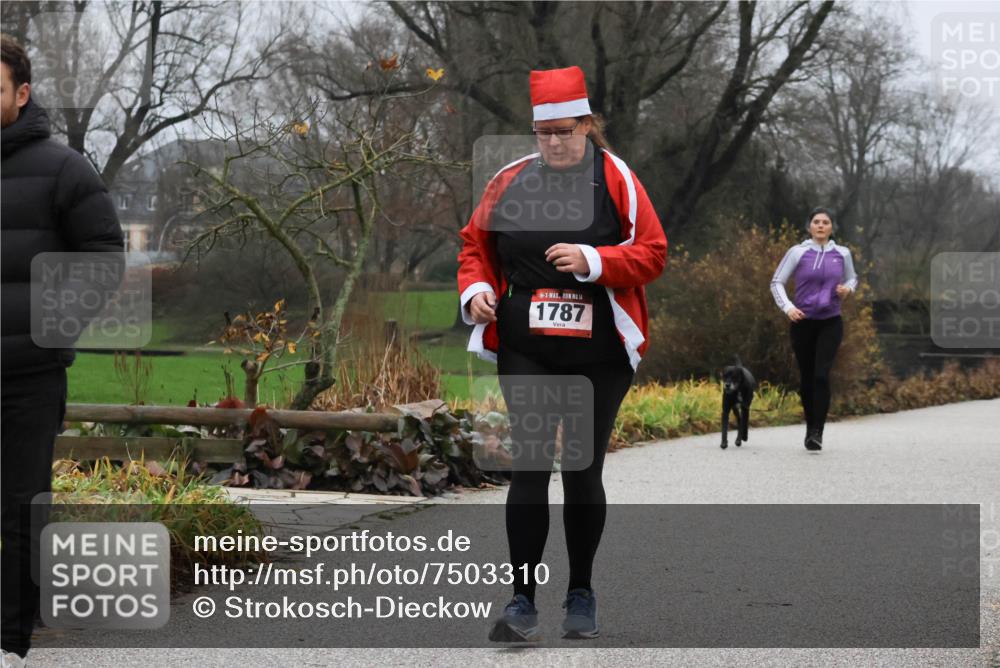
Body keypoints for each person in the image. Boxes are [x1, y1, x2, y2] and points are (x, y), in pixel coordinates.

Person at [456, 66, 666, 641]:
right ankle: (521, 601)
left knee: (581, 468)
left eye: (564, 131)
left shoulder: (617, 178)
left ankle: (581, 592)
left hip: (598, 354)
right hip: (527, 348)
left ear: (587, 125)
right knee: (528, 467)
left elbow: (653, 252)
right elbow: (475, 244)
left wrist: (594, 261)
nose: (552, 142)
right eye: (543, 133)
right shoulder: (509, 180)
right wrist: (475, 292)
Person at [1, 34, 124, 667]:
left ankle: (12, 639)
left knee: (21, 506)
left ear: (22, 94)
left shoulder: (65, 168)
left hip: (27, 374)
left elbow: (103, 261)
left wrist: (50, 330)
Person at [770, 207, 857, 451]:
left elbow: (852, 278)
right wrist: (788, 308)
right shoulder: (798, 252)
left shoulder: (842, 253)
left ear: (831, 227)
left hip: (831, 321)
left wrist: (848, 290)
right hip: (802, 323)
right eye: (816, 222)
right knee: (807, 377)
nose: (820, 226)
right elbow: (777, 282)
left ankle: (818, 431)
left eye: (825, 222)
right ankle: (810, 427)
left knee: (821, 375)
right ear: (809, 227)